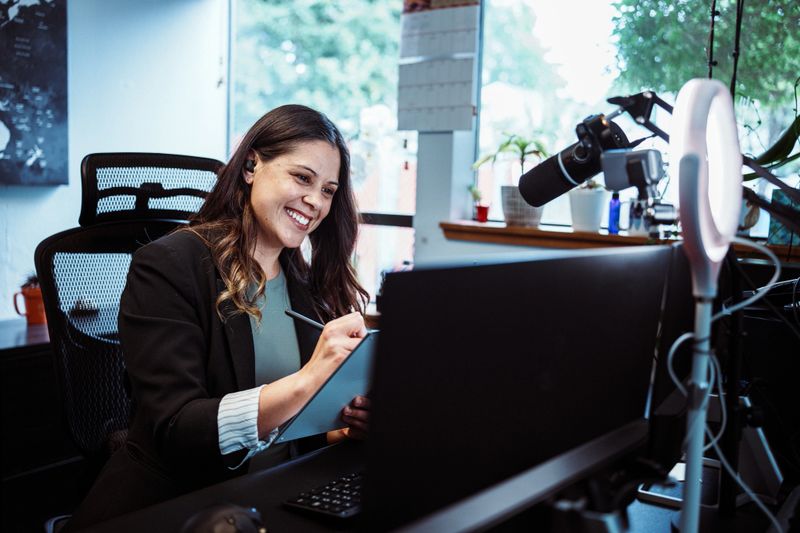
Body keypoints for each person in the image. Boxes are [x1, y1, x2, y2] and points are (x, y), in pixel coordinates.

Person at [66, 104, 371, 530]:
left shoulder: (306, 284)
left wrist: (343, 422)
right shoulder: (169, 265)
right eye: (302, 178)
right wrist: (308, 381)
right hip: (180, 506)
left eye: (328, 190)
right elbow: (177, 429)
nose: (315, 201)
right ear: (251, 166)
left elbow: (290, 427)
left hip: (274, 496)